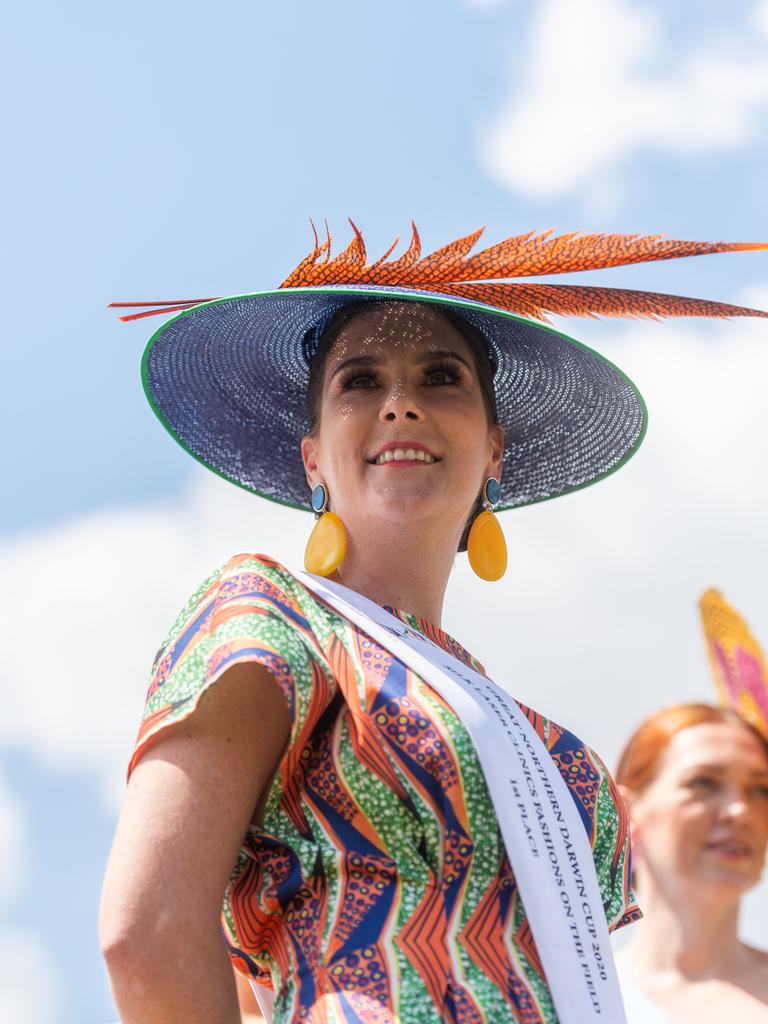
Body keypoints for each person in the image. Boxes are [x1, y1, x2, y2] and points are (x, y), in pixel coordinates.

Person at [99, 223, 766, 1024]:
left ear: (494, 451)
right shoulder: (269, 615)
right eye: (360, 380)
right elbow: (147, 936)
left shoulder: (538, 739)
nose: (402, 401)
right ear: (313, 457)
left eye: (441, 376)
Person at [614, 704, 768, 1023]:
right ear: (627, 809)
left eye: (760, 789)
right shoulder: (569, 999)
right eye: (703, 783)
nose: (739, 811)